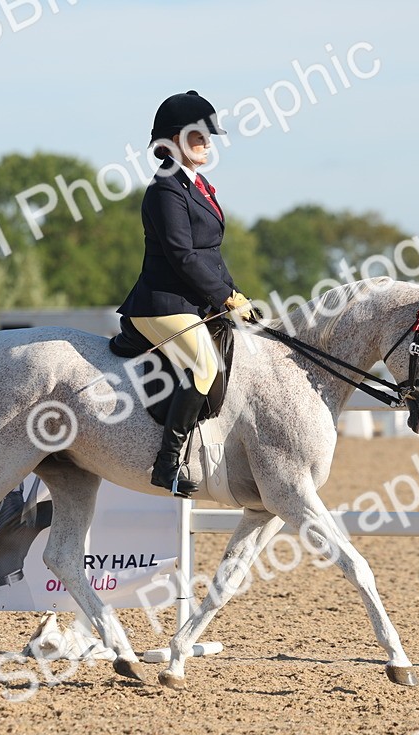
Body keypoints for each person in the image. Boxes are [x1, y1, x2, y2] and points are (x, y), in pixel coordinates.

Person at [117, 91, 256, 498]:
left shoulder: (200, 185)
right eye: (198, 137)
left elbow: (210, 253)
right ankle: (166, 465)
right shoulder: (165, 190)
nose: (207, 144)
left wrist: (236, 294)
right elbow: (182, 256)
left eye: (208, 137)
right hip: (161, 303)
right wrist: (225, 297)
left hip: (192, 301)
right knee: (203, 366)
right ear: (174, 140)